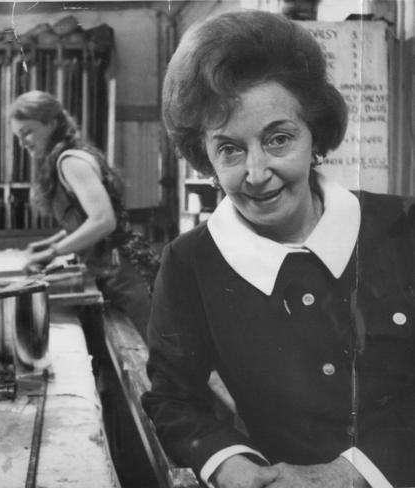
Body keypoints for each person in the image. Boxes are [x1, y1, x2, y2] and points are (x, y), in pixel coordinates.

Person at [142, 9, 415, 488]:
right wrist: (230, 464)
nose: (255, 171)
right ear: (203, 156)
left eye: (279, 139)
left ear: (317, 136)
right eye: (230, 149)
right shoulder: (190, 264)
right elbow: (174, 400)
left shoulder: (404, 229)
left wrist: (354, 474)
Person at [9, 90, 159, 339]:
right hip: (113, 268)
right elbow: (83, 218)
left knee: (146, 355)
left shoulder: (70, 162)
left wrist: (54, 252)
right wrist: (51, 242)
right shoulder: (68, 155)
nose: (23, 142)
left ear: (52, 123)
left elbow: (103, 221)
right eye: (18, 136)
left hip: (124, 270)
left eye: (27, 132)